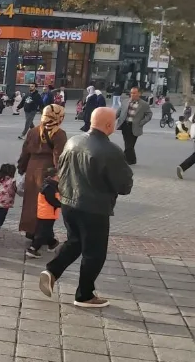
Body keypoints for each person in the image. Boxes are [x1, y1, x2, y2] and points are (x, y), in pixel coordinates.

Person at [39, 107, 133, 308]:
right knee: (94, 252)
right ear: (109, 125)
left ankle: (52, 271)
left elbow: (61, 171)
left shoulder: (73, 141)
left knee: (75, 242)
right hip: (94, 208)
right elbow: (124, 185)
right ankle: (84, 294)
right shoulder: (111, 150)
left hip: (69, 203)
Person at [17, 104, 67, 239]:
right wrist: (59, 175)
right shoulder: (59, 134)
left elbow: (25, 152)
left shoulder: (33, 131)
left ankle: (30, 230)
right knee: (45, 204)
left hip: (32, 169)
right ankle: (41, 234)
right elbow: (58, 156)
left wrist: (22, 168)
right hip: (47, 171)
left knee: (30, 202)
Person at [26, 167, 61, 258]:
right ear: (53, 177)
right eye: (58, 175)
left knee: (47, 230)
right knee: (42, 232)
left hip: (46, 213)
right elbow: (52, 201)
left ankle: (52, 243)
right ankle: (33, 249)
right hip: (47, 214)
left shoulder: (48, 185)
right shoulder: (50, 187)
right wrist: (62, 205)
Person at [115, 87, 153, 165]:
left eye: (134, 93)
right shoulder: (125, 101)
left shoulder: (144, 104)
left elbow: (149, 114)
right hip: (125, 125)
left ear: (139, 93)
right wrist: (112, 118)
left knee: (130, 144)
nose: (132, 94)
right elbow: (119, 112)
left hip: (135, 126)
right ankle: (132, 160)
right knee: (127, 143)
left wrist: (142, 122)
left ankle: (125, 159)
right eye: (131, 93)